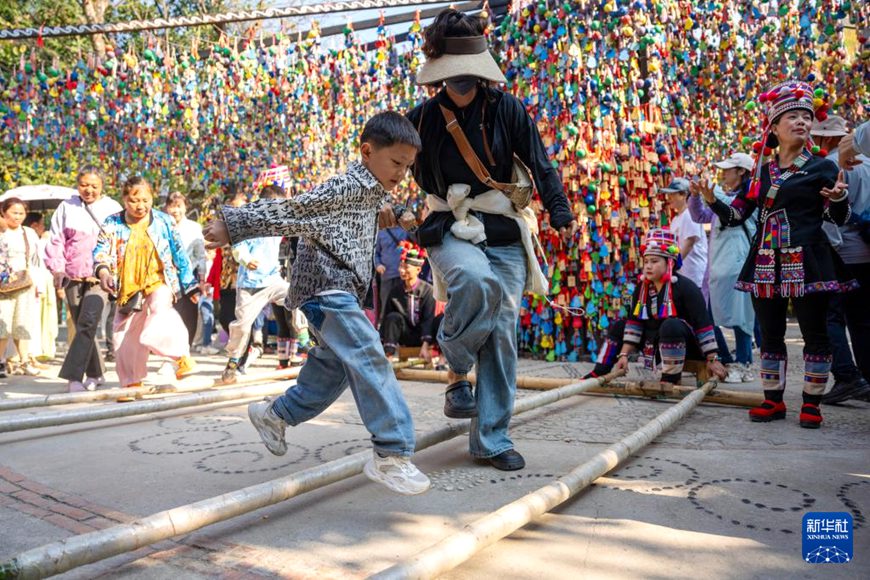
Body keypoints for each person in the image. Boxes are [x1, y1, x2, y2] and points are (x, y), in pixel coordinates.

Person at [204, 111, 430, 495]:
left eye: (407, 167)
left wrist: (403, 218)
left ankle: (275, 415)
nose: (401, 173)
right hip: (327, 287)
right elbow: (292, 211)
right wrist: (235, 224)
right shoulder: (343, 186)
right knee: (368, 354)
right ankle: (392, 453)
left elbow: (372, 215)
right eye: (396, 163)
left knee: (334, 371)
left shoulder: (373, 190)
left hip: (340, 290)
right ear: (367, 150)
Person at [405, 9, 577, 471]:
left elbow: (541, 163)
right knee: (476, 282)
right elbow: (392, 169)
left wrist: (560, 211)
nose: (460, 82)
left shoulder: (508, 108)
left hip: (503, 229)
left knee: (501, 329)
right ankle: (456, 361)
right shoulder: (420, 119)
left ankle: (491, 439)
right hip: (448, 228)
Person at [708, 80, 854, 428]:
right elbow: (737, 215)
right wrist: (712, 200)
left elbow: (839, 217)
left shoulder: (823, 168)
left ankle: (812, 404)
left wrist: (838, 199)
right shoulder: (763, 170)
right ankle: (773, 400)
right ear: (774, 127)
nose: (802, 122)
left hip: (808, 259)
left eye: (807, 116)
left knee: (814, 332)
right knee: (770, 333)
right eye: (793, 117)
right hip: (764, 261)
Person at [585, 228, 727, 385]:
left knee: (671, 324)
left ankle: (670, 379)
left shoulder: (687, 288)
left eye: (654, 261)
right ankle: (599, 371)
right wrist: (624, 355)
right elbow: (634, 323)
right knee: (620, 325)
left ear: (670, 263)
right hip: (654, 342)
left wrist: (712, 358)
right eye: (646, 262)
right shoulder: (642, 288)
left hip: (688, 346)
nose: (648, 267)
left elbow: (703, 324)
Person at [94, 177, 198, 388]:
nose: (140, 205)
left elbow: (180, 255)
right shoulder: (112, 223)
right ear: (124, 199)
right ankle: (131, 381)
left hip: (158, 280)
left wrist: (190, 285)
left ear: (152, 198)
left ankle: (180, 356)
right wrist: (103, 271)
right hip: (127, 287)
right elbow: (100, 251)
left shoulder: (164, 221)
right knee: (123, 334)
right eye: (134, 200)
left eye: (145, 199)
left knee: (161, 310)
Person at [45, 166, 122, 392]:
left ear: (102, 187)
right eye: (84, 185)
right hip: (72, 276)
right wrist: (58, 270)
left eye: (94, 186)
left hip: (102, 277)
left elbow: (120, 243)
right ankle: (96, 373)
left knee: (88, 322)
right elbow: (56, 240)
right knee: (82, 327)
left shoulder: (112, 208)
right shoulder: (66, 207)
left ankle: (73, 376)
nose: (89, 190)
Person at [812, 115, 870, 403]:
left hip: (844, 251)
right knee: (862, 319)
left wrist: (827, 251)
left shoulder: (833, 165)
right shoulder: (868, 163)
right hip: (866, 249)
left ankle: (847, 375)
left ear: (825, 139)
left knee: (831, 315)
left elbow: (830, 219)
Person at [689, 153, 757, 384]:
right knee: (711, 317)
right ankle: (727, 358)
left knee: (742, 317)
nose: (724, 173)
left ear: (741, 171)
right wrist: (696, 196)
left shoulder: (749, 198)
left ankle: (745, 364)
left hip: (738, 264)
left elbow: (731, 211)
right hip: (719, 268)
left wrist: (710, 192)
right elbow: (700, 215)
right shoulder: (722, 197)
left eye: (728, 169)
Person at [219, 184, 291, 384]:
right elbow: (237, 246)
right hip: (250, 285)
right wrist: (245, 259)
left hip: (273, 280)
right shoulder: (248, 224)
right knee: (242, 326)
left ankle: (308, 342)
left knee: (299, 298)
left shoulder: (280, 223)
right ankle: (233, 362)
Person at [0, 198, 43, 377]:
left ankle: (24, 360)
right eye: (13, 213)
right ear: (3, 212)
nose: (17, 217)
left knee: (23, 323)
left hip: (24, 282)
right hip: (3, 285)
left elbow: (36, 260)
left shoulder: (29, 233)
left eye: (21, 213)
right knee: (2, 323)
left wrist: (37, 285)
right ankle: (1, 361)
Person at [380, 241, 439, 364]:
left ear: (418, 269)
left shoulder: (428, 291)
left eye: (405, 267)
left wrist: (425, 345)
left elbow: (428, 320)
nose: (401, 270)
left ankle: (442, 358)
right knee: (392, 317)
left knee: (439, 319)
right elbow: (387, 318)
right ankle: (388, 356)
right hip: (406, 336)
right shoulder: (395, 291)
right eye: (400, 266)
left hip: (423, 335)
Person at [164, 192, 208, 347]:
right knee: (169, 313)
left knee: (189, 314)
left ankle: (185, 349)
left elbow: (201, 255)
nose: (175, 210)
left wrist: (202, 279)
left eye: (178, 206)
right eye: (172, 206)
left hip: (190, 277)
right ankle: (171, 350)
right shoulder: (162, 226)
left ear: (185, 207)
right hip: (167, 277)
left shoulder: (194, 227)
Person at [663, 178, 709, 290]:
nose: (669, 198)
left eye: (672, 194)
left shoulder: (689, 214)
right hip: (684, 275)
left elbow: (689, 242)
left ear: (683, 195)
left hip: (694, 275)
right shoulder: (676, 219)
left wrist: (673, 265)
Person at [23, 212, 56, 363]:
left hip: (43, 281)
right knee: (32, 320)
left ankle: (36, 352)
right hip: (32, 282)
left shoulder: (37, 238)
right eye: (42, 223)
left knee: (41, 319)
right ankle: (28, 355)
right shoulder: (30, 237)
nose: (44, 227)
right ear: (34, 225)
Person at [375, 225, 409, 325]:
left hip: (404, 275)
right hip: (387, 275)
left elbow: (416, 243)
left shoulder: (405, 229)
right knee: (385, 304)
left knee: (403, 305)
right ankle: (383, 331)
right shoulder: (381, 232)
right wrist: (378, 264)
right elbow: (375, 253)